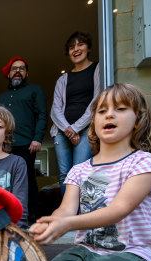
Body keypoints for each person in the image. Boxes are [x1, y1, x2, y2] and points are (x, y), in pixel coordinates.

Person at [29, 83, 151, 261]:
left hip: (134, 252)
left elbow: (118, 209)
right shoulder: (80, 169)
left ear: (138, 119)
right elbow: (66, 209)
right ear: (94, 121)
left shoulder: (144, 163)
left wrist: (67, 224)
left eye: (121, 108)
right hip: (87, 249)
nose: (109, 115)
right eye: (102, 111)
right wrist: (52, 222)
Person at [0, 56, 47, 225]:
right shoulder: (1, 97)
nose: (18, 71)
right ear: (9, 74)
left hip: (26, 144)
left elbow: (42, 115)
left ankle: (31, 220)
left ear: (26, 73)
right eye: (14, 68)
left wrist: (37, 138)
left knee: (27, 182)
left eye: (22, 68)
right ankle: (6, 219)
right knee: (3, 182)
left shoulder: (35, 90)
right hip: (4, 145)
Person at [50, 31, 101, 195]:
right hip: (61, 131)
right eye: (72, 47)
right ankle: (69, 215)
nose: (76, 49)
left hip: (85, 130)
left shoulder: (98, 69)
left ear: (88, 48)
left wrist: (76, 128)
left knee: (80, 172)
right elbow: (55, 109)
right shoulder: (63, 79)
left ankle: (81, 216)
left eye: (80, 45)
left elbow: (97, 101)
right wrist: (68, 129)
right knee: (65, 174)